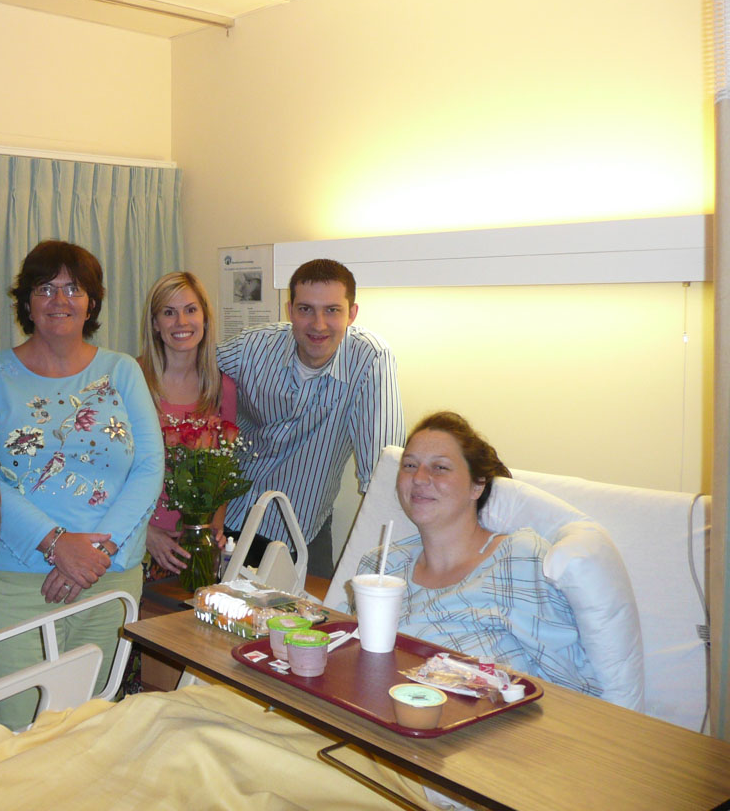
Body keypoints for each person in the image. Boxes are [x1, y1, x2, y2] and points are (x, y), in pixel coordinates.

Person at [0, 240, 163, 730]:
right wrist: (57, 544)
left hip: (108, 576)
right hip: (18, 580)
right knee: (14, 731)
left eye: (73, 288)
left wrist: (93, 553)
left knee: (89, 728)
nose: (60, 299)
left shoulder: (121, 371)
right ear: (26, 302)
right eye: (45, 288)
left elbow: (148, 467)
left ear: (92, 303)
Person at [357, 411, 600, 694]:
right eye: (410, 465)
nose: (419, 478)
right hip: (380, 706)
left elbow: (572, 684)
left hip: (489, 717)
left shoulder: (518, 560)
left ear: (477, 485)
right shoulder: (382, 565)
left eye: (440, 467)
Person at [217, 259, 403, 578]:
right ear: (290, 310)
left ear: (352, 314)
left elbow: (381, 473)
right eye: (306, 309)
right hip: (229, 519)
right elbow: (185, 371)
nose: (318, 325)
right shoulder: (253, 347)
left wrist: (378, 574)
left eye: (332, 310)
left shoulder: (369, 359)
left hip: (301, 528)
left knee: (311, 608)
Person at [138, 271, 237, 577]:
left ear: (204, 318)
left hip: (195, 549)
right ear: (155, 323)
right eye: (169, 312)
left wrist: (213, 530)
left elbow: (224, 472)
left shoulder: (222, 388)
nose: (181, 322)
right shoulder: (131, 379)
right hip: (139, 545)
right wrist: (144, 534)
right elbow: (107, 473)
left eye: (190, 310)